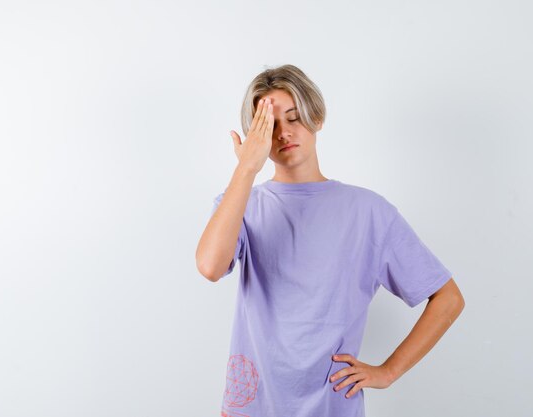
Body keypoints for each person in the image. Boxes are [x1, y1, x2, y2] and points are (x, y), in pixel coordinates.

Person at [195, 64, 465, 417]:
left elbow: (448, 298)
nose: (283, 134)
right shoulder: (241, 202)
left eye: (294, 118)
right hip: (252, 406)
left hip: (331, 405)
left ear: (317, 117)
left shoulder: (369, 212)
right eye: (269, 126)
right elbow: (211, 267)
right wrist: (246, 169)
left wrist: (388, 371)